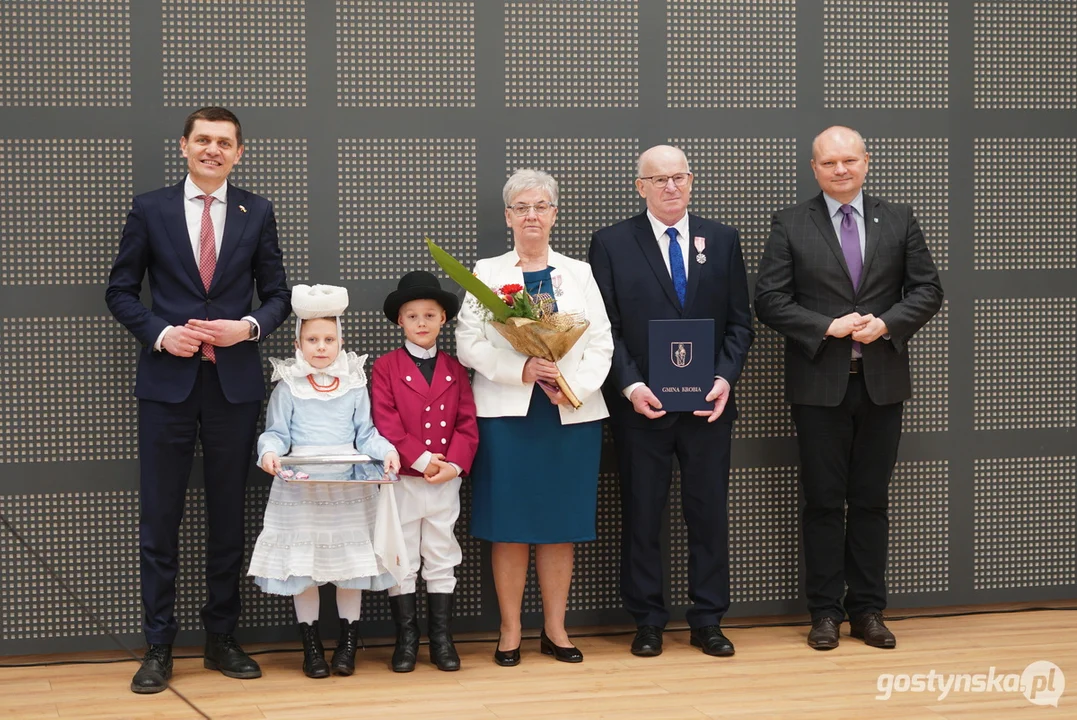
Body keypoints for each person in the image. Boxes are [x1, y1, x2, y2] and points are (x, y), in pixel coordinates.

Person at [105, 107, 290, 693]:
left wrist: (249, 328)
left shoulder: (255, 211)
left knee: (228, 519)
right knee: (160, 518)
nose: (213, 150)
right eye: (203, 140)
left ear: (239, 153)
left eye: (225, 143)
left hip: (233, 387)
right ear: (183, 146)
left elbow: (279, 295)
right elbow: (120, 290)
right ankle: (159, 645)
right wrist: (161, 333)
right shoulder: (151, 208)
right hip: (167, 386)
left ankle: (221, 639)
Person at [754, 126, 943, 651]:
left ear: (866, 162)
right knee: (821, 501)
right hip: (819, 387)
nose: (841, 170)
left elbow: (929, 289)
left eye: (849, 161)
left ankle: (868, 610)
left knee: (870, 501)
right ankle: (823, 612)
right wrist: (825, 326)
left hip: (881, 384)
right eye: (829, 162)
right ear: (814, 168)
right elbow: (769, 300)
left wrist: (886, 322)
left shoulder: (899, 219)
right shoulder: (791, 223)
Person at [588, 145, 753, 658]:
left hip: (708, 408)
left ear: (691, 180)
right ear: (640, 187)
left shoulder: (722, 240)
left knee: (708, 515)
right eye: (658, 180)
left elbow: (739, 323)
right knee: (642, 516)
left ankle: (708, 619)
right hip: (642, 409)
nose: (670, 187)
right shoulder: (612, 243)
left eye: (678, 177)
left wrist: (724, 378)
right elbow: (604, 328)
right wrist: (632, 387)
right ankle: (649, 621)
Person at [456, 169, 613, 666]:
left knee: (559, 524)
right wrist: (520, 368)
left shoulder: (579, 272)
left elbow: (603, 340)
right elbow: (468, 344)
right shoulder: (486, 271)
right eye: (521, 207)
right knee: (510, 525)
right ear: (508, 216)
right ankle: (508, 631)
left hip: (568, 415)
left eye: (540, 206)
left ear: (553, 214)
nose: (531, 215)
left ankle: (555, 629)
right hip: (508, 415)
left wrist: (575, 389)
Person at [248, 284, 404, 678]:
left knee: (349, 567)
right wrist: (268, 453)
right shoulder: (289, 386)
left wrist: (385, 450)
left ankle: (348, 645)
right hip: (301, 487)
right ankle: (311, 646)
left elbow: (365, 434)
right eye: (312, 339)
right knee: (307, 569)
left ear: (340, 341)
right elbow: (277, 433)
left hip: (346, 488)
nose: (321, 347)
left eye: (329, 339)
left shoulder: (354, 385)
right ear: (299, 343)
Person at [370, 271, 480, 673]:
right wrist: (421, 459)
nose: (421, 323)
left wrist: (452, 464)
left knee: (440, 554)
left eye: (429, 315)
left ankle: (441, 639)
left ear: (443, 320)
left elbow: (467, 422)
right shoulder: (386, 367)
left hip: (443, 481)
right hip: (404, 479)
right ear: (400, 321)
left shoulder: (455, 368)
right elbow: (386, 421)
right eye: (412, 315)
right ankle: (407, 641)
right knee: (402, 557)